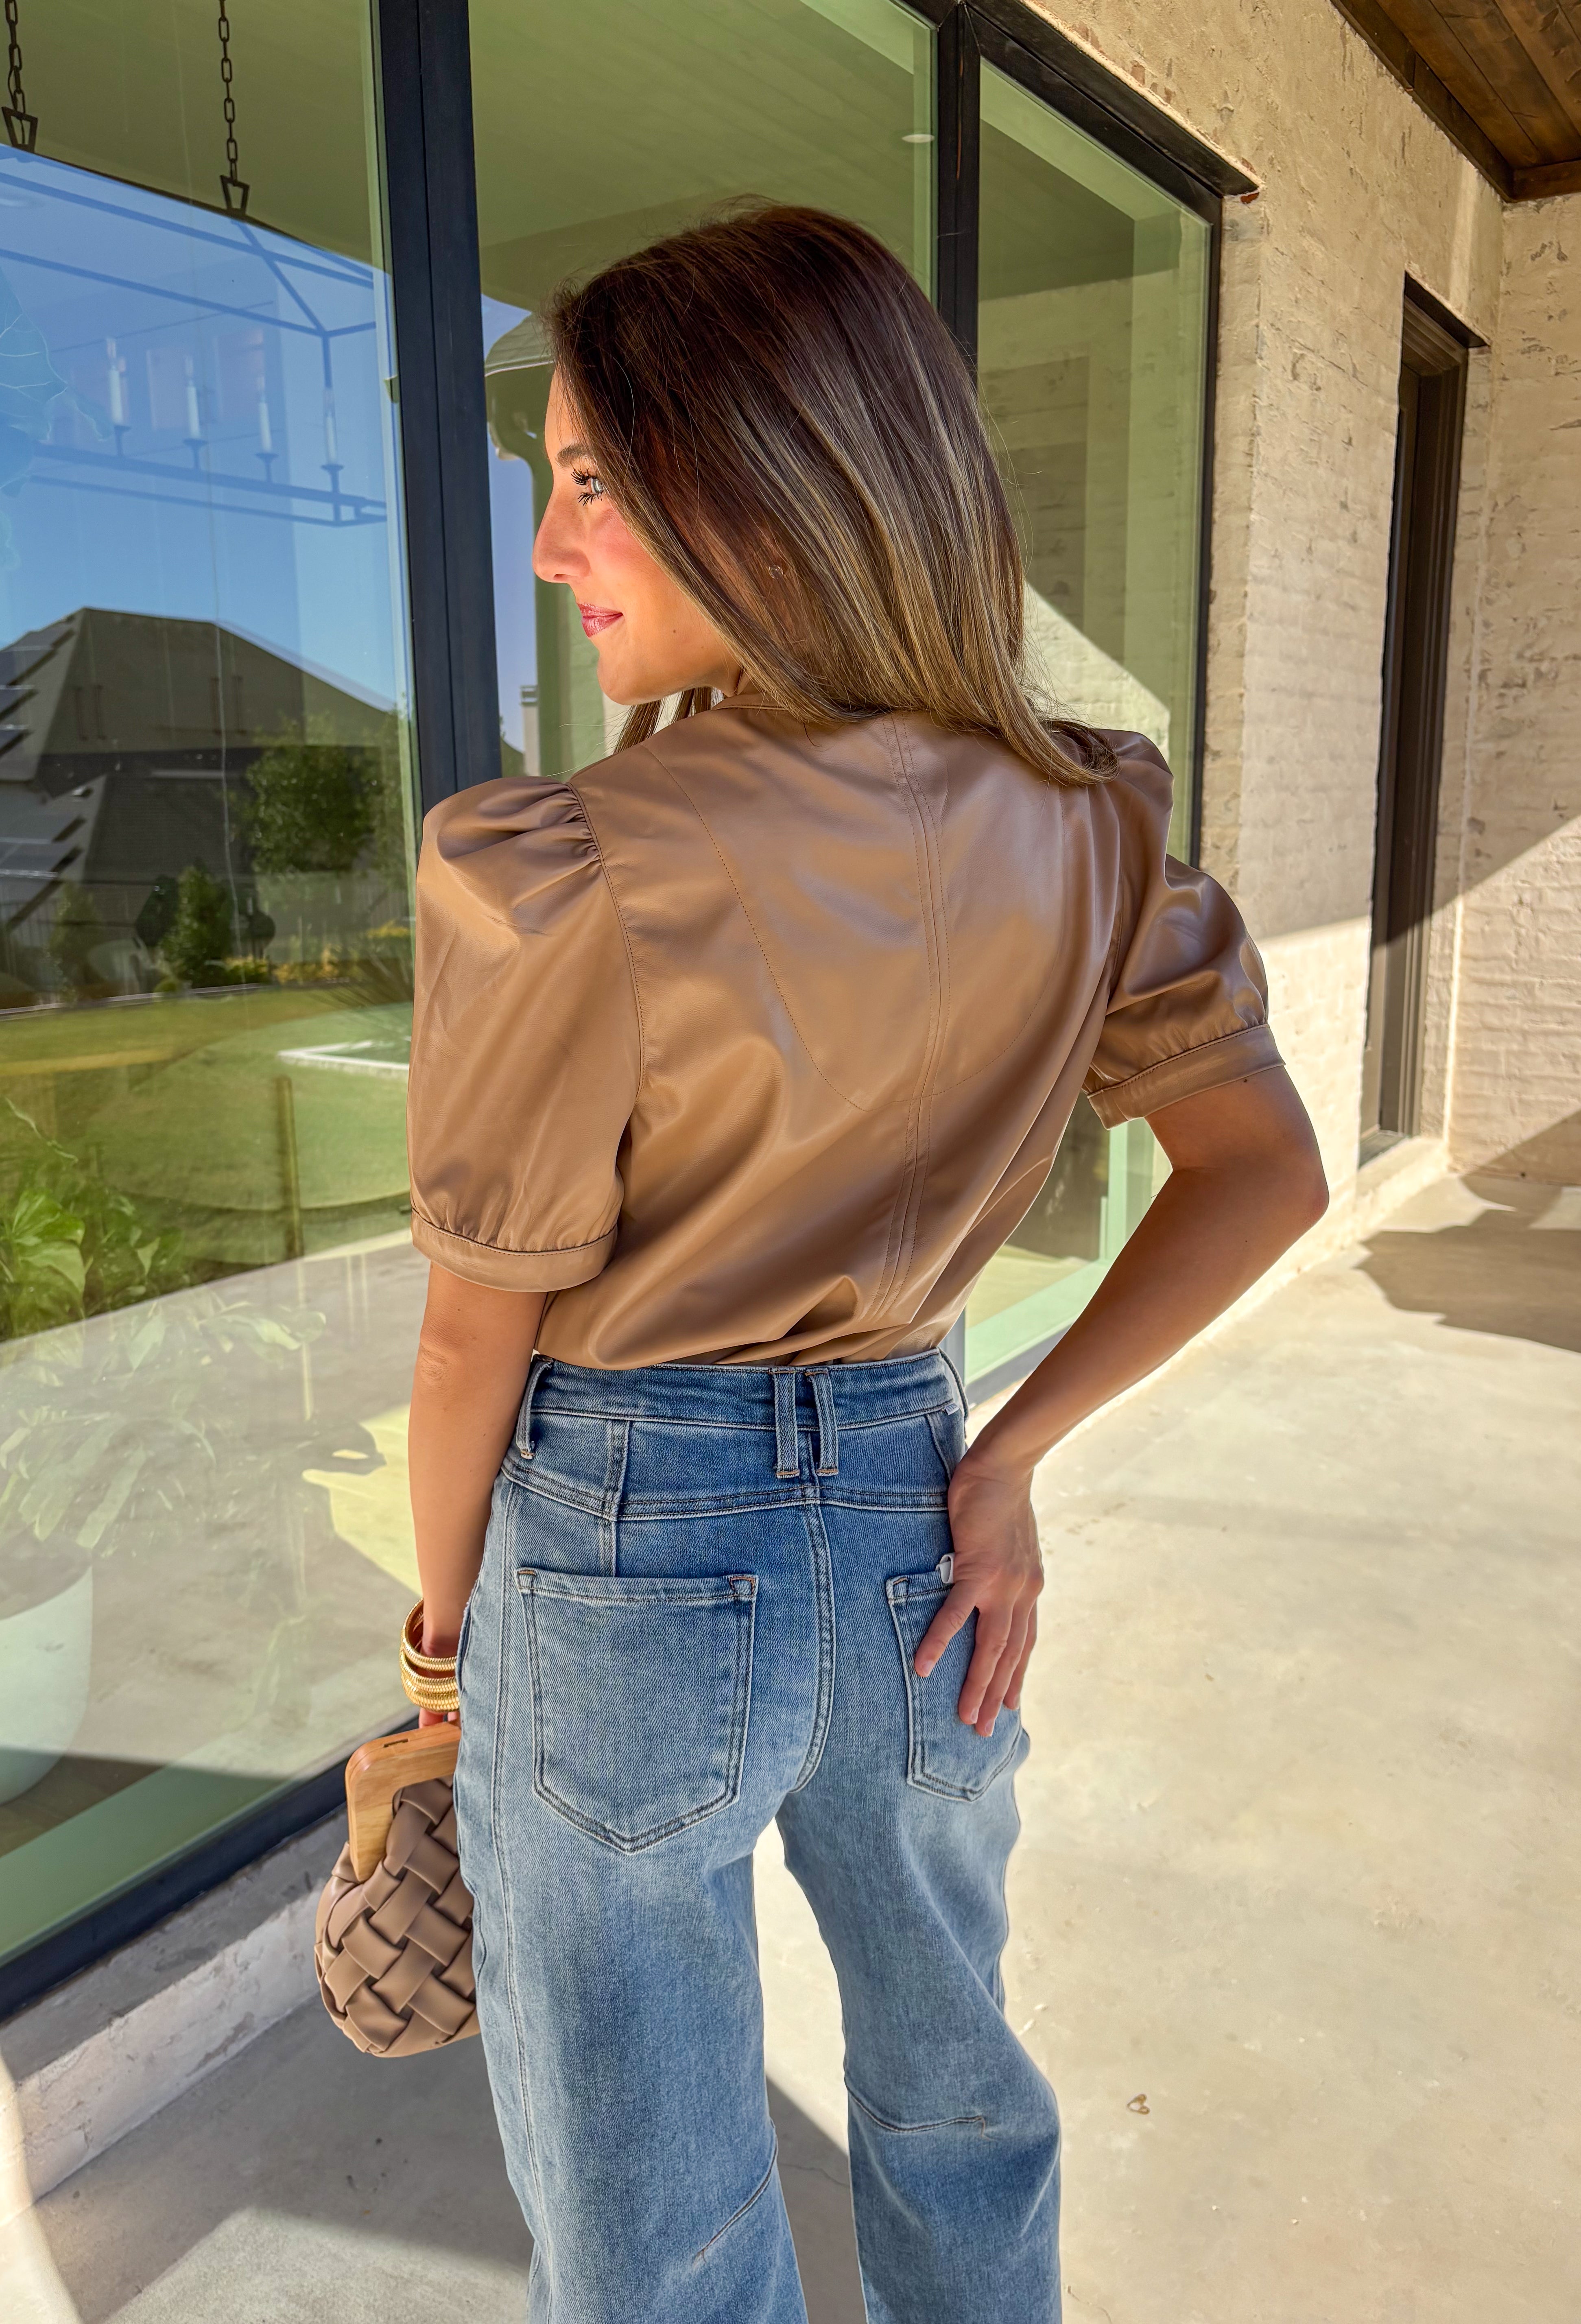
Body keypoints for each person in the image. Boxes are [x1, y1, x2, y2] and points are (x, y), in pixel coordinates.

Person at [402, 205, 1326, 2324]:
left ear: (756, 481)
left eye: (584, 484)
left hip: (627, 1548)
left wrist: (446, 1626)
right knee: (957, 2096)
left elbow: (478, 1326)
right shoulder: (1090, 828)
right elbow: (1263, 1173)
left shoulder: (564, 868)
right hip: (923, 1519)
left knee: (653, 2214)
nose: (553, 552)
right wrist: (1008, 1454)